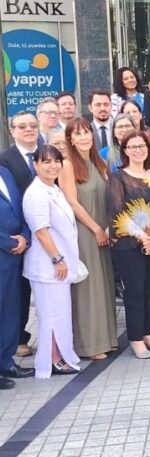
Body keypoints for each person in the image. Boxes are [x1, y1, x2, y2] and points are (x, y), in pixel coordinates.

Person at [106, 131, 150, 358]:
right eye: (132, 147)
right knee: (135, 291)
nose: (138, 150)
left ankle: (147, 332)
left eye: (141, 146)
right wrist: (144, 238)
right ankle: (135, 338)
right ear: (125, 150)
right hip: (129, 246)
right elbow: (118, 214)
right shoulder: (118, 178)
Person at [59, 117, 118, 359]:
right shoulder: (68, 165)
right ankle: (88, 345)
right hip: (85, 233)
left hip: (104, 231)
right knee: (88, 289)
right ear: (70, 139)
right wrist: (95, 229)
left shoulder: (99, 162)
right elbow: (72, 203)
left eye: (87, 132)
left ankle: (106, 338)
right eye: (78, 133)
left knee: (104, 286)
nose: (83, 137)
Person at [23, 146, 81, 378]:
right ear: (35, 165)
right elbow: (41, 232)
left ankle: (62, 355)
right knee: (51, 316)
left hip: (59, 263)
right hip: (48, 266)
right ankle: (52, 360)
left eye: (56, 161)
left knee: (60, 313)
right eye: (45, 162)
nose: (52, 166)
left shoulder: (53, 189)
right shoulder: (36, 193)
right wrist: (57, 259)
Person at [0, 111, 39, 358]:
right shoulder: (5, 160)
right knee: (17, 294)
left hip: (42, 233)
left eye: (32, 125)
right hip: (14, 243)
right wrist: (19, 239)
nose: (28, 130)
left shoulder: (49, 153)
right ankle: (17, 340)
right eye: (22, 126)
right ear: (12, 131)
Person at [0, 163, 33, 388]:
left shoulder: (5, 171)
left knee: (10, 311)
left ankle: (6, 362)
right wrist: (10, 242)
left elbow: (20, 205)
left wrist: (24, 235)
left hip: (14, 255)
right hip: (5, 249)